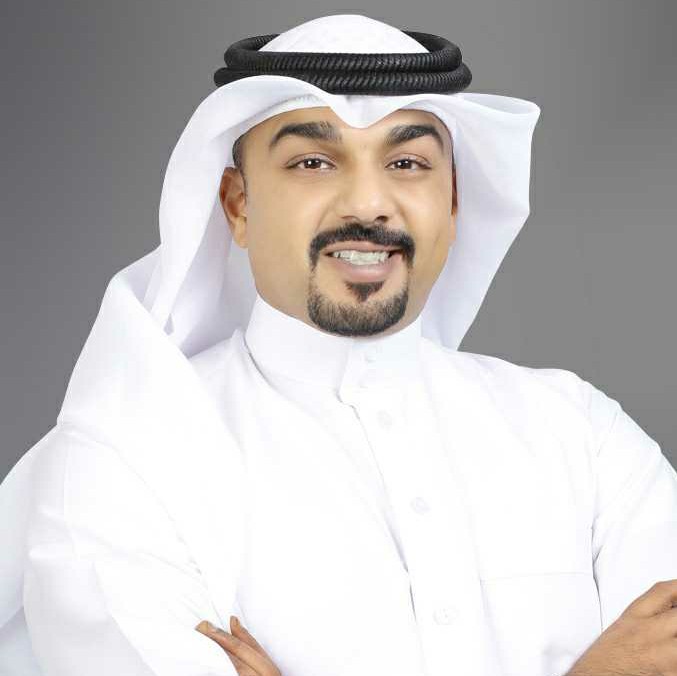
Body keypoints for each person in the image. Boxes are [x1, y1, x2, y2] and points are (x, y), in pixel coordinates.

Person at [1, 13, 676, 676]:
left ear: (453, 203)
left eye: (407, 162)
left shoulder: (580, 434)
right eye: (314, 162)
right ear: (237, 205)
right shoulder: (124, 459)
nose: (367, 204)